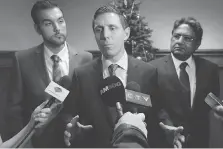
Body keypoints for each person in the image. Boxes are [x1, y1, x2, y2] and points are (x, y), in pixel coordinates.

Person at [59, 3, 161, 148]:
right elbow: (69, 113)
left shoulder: (149, 73)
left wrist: (167, 134)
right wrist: (72, 129)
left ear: (126, 33)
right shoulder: (81, 75)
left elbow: (156, 116)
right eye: (99, 29)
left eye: (112, 28)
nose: (105, 35)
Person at [5, 0, 92, 147]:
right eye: (48, 23)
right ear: (37, 28)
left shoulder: (86, 59)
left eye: (60, 21)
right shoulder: (22, 60)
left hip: (75, 143)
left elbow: (89, 107)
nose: (57, 28)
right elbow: (13, 113)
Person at [150, 17, 220, 148]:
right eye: (176, 36)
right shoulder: (152, 68)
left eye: (187, 38)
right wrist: (166, 125)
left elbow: (211, 100)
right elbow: (152, 105)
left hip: (199, 142)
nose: (180, 41)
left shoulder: (210, 69)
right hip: (164, 142)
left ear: (197, 44)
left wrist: (218, 107)